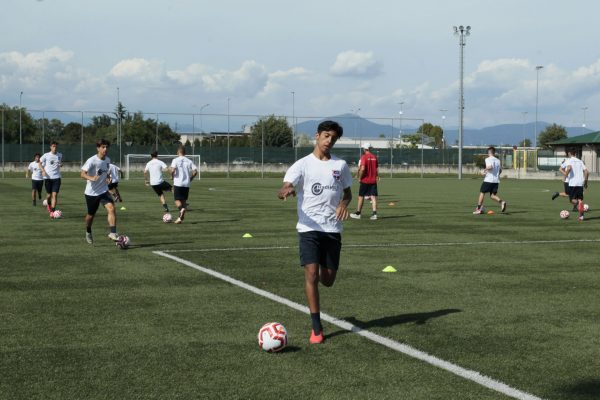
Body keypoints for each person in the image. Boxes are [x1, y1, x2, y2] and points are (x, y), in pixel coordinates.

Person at [277, 120, 352, 344]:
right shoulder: (302, 164)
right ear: (317, 136)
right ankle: (316, 327)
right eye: (326, 136)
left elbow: (347, 193)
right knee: (310, 274)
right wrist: (286, 191)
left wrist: (344, 204)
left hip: (332, 229)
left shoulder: (341, 166)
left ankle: (320, 270)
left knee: (327, 280)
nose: (329, 141)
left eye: (333, 138)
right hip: (308, 228)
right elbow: (285, 186)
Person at [81, 139, 120, 244]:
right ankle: (88, 231)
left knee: (111, 208)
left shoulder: (107, 160)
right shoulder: (92, 160)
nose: (105, 149)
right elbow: (82, 174)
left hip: (103, 191)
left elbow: (105, 171)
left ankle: (113, 233)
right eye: (103, 147)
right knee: (90, 216)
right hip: (91, 193)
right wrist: (91, 178)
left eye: (107, 147)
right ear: (98, 148)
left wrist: (107, 177)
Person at [473, 146, 507, 214]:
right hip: (496, 181)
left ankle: (479, 209)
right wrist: (496, 174)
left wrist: (484, 170)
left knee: (482, 192)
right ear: (494, 153)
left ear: (489, 152)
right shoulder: (498, 160)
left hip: (488, 180)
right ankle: (502, 202)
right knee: (492, 195)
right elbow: (500, 170)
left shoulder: (488, 159)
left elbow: (490, 166)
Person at [350, 142, 379, 220]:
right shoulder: (374, 157)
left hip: (365, 180)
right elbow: (376, 169)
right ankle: (374, 214)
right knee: (373, 197)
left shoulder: (364, 157)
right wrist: (376, 176)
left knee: (361, 196)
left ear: (365, 149)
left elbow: (362, 169)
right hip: (373, 181)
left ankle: (358, 213)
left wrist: (360, 177)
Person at [169, 146, 198, 224]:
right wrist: (191, 178)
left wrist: (171, 176)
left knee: (177, 200)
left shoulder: (175, 160)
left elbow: (172, 170)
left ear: (177, 152)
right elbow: (195, 171)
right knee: (184, 201)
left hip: (178, 183)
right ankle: (180, 218)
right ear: (185, 153)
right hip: (186, 184)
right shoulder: (189, 161)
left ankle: (181, 209)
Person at [562, 148, 589, 221]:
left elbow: (568, 168)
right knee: (580, 199)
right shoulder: (580, 161)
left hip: (573, 183)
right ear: (575, 153)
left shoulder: (569, 161)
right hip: (580, 183)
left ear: (569, 153)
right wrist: (585, 182)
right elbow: (586, 172)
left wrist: (565, 176)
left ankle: (580, 205)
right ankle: (581, 216)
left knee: (572, 200)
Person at [39, 141, 63, 216]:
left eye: (56, 146)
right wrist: (43, 170)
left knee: (54, 195)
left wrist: (61, 164)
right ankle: (48, 204)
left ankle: (53, 211)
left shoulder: (60, 155)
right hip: (48, 178)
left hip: (57, 177)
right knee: (49, 195)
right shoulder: (46, 155)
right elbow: (39, 163)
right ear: (50, 147)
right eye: (53, 146)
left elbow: (59, 164)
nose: (54, 148)